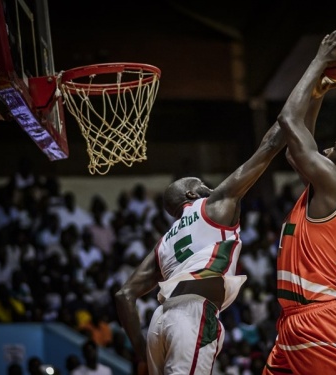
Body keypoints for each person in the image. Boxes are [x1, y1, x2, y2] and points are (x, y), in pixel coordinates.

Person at [114, 59, 295, 374]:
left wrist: (142, 354)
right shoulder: (215, 205)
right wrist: (304, 94)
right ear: (191, 195)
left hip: (159, 321)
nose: (210, 187)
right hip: (193, 315)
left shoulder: (165, 242)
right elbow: (268, 147)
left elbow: (124, 294)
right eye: (202, 185)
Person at [262, 28, 336, 375]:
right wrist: (316, 94)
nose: (324, 150)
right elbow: (301, 153)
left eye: (333, 150)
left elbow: (288, 122)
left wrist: (319, 62)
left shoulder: (333, 188)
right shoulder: (332, 190)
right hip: (297, 320)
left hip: (316, 323)